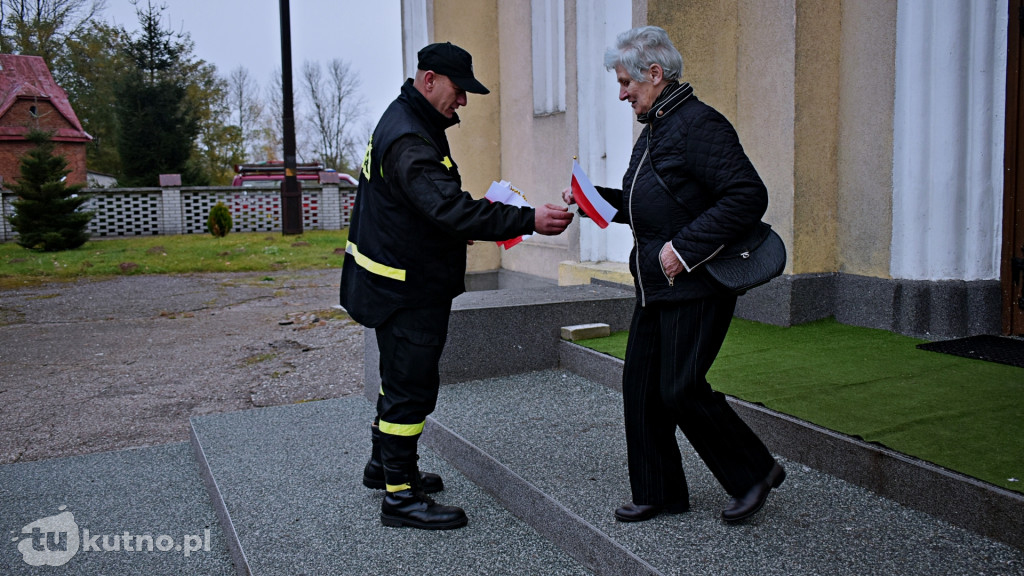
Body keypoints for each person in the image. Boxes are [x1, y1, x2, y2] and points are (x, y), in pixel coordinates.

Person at [340, 41, 573, 530]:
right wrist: (528, 218)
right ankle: (400, 498)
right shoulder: (409, 136)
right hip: (406, 289)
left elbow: (427, 206)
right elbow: (447, 207)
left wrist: (456, 219)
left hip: (394, 281)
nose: (463, 100)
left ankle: (384, 467)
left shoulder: (410, 120)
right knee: (411, 389)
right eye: (458, 89)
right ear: (428, 80)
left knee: (397, 379)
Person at [563, 26, 784, 524]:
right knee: (641, 388)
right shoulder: (657, 128)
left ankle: (754, 472)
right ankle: (660, 491)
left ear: (655, 74)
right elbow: (650, 204)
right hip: (654, 285)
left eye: (626, 82)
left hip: (696, 284)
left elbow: (747, 196)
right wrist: (589, 200)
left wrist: (684, 249)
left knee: (681, 387)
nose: (622, 93)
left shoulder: (700, 124)